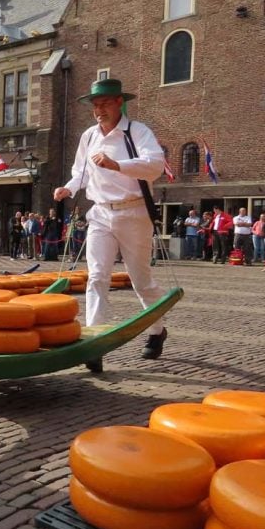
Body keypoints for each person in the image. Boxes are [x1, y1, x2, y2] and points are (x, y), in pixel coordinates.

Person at [52, 78, 168, 367]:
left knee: (140, 279)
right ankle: (96, 343)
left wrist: (118, 165)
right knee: (97, 276)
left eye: (104, 103)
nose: (99, 109)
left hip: (134, 213)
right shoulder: (89, 136)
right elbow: (81, 171)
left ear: (119, 102)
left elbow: (155, 165)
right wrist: (68, 188)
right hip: (100, 213)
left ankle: (157, 330)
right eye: (95, 104)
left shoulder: (137, 132)